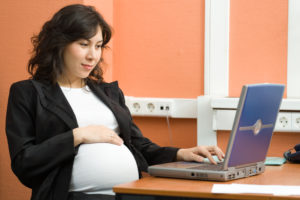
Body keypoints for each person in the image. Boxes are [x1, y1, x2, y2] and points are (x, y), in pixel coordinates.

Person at [5, 4, 224, 200]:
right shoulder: (28, 93)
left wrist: (181, 154)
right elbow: (24, 162)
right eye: (84, 44)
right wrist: (78, 135)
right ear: (59, 44)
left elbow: (139, 146)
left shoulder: (108, 92)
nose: (93, 55)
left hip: (132, 192)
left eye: (98, 46)